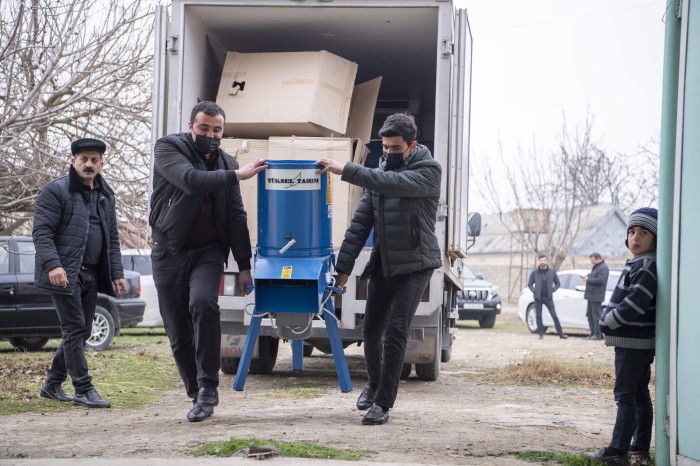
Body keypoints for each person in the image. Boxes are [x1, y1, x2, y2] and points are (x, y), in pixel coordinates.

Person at [316, 113, 442, 426]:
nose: (388, 153)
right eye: (384, 148)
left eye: (395, 148)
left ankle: (383, 404)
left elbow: (394, 184)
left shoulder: (428, 171)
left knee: (396, 331)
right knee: (370, 331)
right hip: (385, 263)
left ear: (412, 145)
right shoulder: (378, 173)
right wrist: (343, 269)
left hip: (416, 265)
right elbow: (359, 226)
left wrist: (346, 169)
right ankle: (372, 384)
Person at [149, 101, 267, 422]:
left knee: (203, 304)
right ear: (191, 127)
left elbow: (235, 216)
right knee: (177, 329)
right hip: (168, 250)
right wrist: (235, 175)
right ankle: (195, 393)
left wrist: (244, 266)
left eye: (217, 130)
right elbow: (189, 179)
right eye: (204, 128)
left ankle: (207, 387)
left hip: (209, 251)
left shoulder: (226, 162)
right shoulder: (168, 148)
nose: (211, 135)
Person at [33, 137, 127, 409]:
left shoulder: (105, 195)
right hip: (65, 273)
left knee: (82, 330)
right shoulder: (55, 191)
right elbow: (42, 232)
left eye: (94, 160)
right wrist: (54, 265)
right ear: (72, 161)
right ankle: (83, 388)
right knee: (74, 328)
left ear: (101, 163)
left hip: (92, 273)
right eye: (83, 159)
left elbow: (112, 238)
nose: (89, 164)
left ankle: (52, 384)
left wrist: (117, 273)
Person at [586, 207, 658, 465]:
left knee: (625, 396)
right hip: (635, 343)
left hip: (633, 344)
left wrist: (608, 320)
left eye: (643, 232)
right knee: (638, 395)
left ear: (655, 238)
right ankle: (638, 449)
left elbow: (637, 302)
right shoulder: (640, 262)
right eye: (631, 231)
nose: (635, 237)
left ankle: (618, 450)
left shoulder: (646, 265)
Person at [527, 255, 567, 340]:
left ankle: (561, 334)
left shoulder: (552, 272)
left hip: (548, 297)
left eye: (544, 260)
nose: (542, 262)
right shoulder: (534, 272)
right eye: (541, 260)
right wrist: (534, 290)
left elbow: (558, 283)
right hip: (538, 298)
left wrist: (553, 290)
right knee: (538, 316)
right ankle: (540, 334)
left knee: (554, 315)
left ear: (547, 261)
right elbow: (529, 284)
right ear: (539, 261)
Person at [582, 252, 609, 340]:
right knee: (589, 315)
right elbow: (595, 276)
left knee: (596, 316)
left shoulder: (604, 268)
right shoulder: (597, 267)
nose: (591, 261)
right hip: (591, 295)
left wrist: (588, 279)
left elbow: (601, 280)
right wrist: (588, 276)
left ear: (598, 258)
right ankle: (592, 333)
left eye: (592, 259)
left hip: (597, 296)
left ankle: (598, 335)